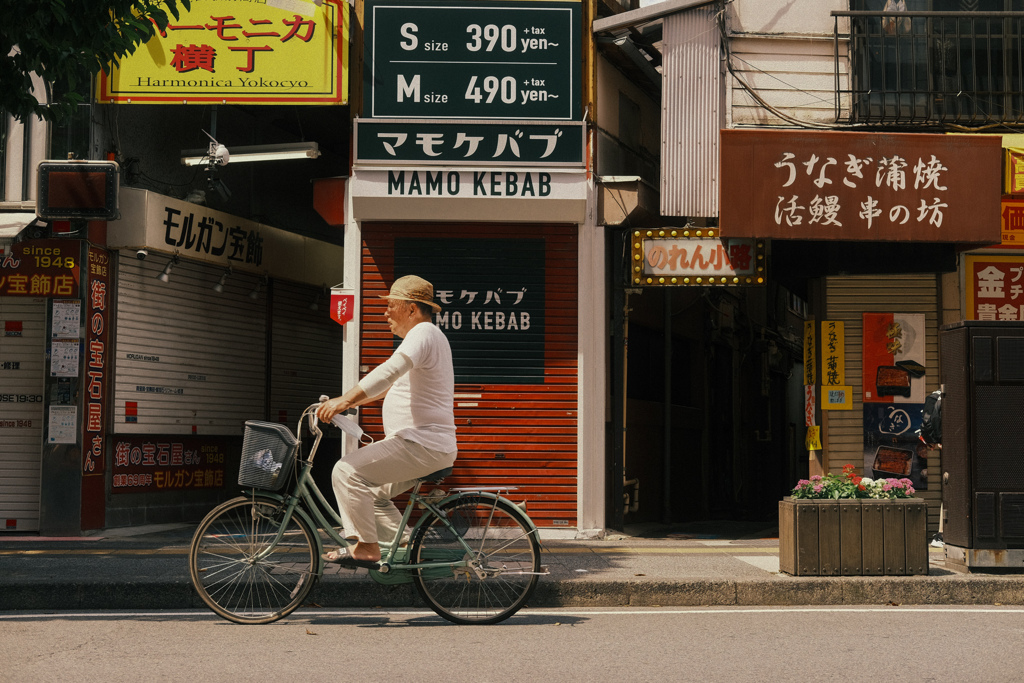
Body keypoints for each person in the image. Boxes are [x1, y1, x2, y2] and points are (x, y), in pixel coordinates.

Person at [315, 275, 457, 569]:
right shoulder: (427, 338)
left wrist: (345, 399)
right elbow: (386, 386)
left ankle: (366, 547)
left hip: (421, 444)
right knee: (373, 496)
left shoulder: (423, 334)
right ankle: (407, 547)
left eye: (391, 305)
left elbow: (389, 371)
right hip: (423, 444)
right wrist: (348, 403)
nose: (385, 312)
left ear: (411, 309)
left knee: (346, 472)